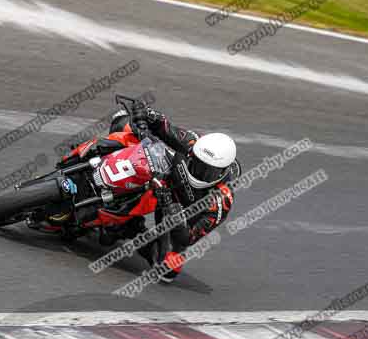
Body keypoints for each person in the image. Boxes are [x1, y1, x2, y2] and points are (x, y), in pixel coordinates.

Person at [60, 103, 239, 282]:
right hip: (163, 175)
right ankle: (86, 157)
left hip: (176, 211)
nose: (198, 170)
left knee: (168, 268)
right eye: (197, 162)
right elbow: (164, 127)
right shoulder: (191, 141)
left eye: (206, 170)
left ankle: (130, 228)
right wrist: (147, 114)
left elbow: (187, 238)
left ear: (222, 171)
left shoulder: (221, 200)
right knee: (128, 127)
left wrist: (169, 206)